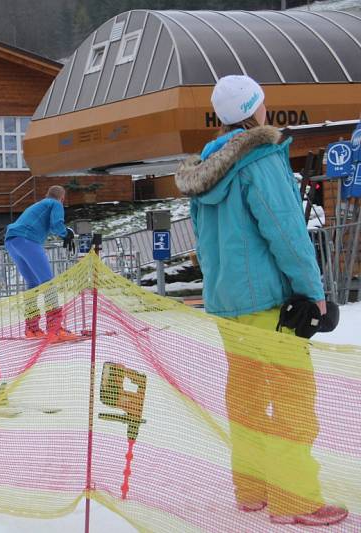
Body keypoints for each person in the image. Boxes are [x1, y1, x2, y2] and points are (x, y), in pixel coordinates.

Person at [175, 75, 346, 527]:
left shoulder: (208, 167)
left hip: (228, 302)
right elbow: (286, 231)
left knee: (247, 395)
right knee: (291, 397)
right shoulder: (261, 159)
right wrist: (313, 292)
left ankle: (252, 488)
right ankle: (296, 500)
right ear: (257, 108)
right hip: (271, 302)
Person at [4, 185, 77, 342]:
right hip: (27, 239)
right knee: (48, 283)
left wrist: (64, 233)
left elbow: (49, 225)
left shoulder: (40, 205)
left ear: (46, 194)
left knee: (33, 284)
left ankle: (32, 329)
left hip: (12, 240)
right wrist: (66, 233)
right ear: (62, 198)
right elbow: (57, 224)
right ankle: (55, 329)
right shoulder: (55, 204)